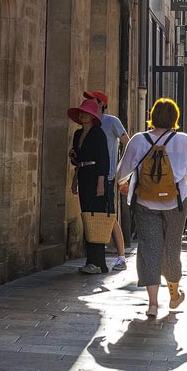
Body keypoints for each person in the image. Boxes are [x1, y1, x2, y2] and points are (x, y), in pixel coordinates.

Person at [117, 98, 187, 318]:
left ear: (152, 115)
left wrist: (124, 183)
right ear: (174, 118)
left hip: (145, 203)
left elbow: (122, 172)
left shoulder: (138, 140)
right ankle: (173, 294)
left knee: (149, 248)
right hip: (177, 203)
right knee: (173, 246)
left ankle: (153, 303)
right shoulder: (184, 140)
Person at [83, 90, 131, 271]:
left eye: (92, 100)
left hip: (108, 177)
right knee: (94, 216)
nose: (87, 102)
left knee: (110, 217)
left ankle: (121, 257)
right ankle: (94, 259)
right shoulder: (88, 123)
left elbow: (129, 143)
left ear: (101, 103)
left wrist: (121, 171)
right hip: (90, 177)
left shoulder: (112, 121)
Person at [68, 98, 111, 274]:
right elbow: (77, 159)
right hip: (84, 175)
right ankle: (90, 261)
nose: (82, 115)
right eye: (81, 112)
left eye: (86, 112)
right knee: (87, 216)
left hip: (95, 177)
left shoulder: (98, 134)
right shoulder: (78, 135)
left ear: (92, 116)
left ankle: (98, 262)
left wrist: (101, 182)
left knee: (96, 218)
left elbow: (103, 159)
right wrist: (75, 178)